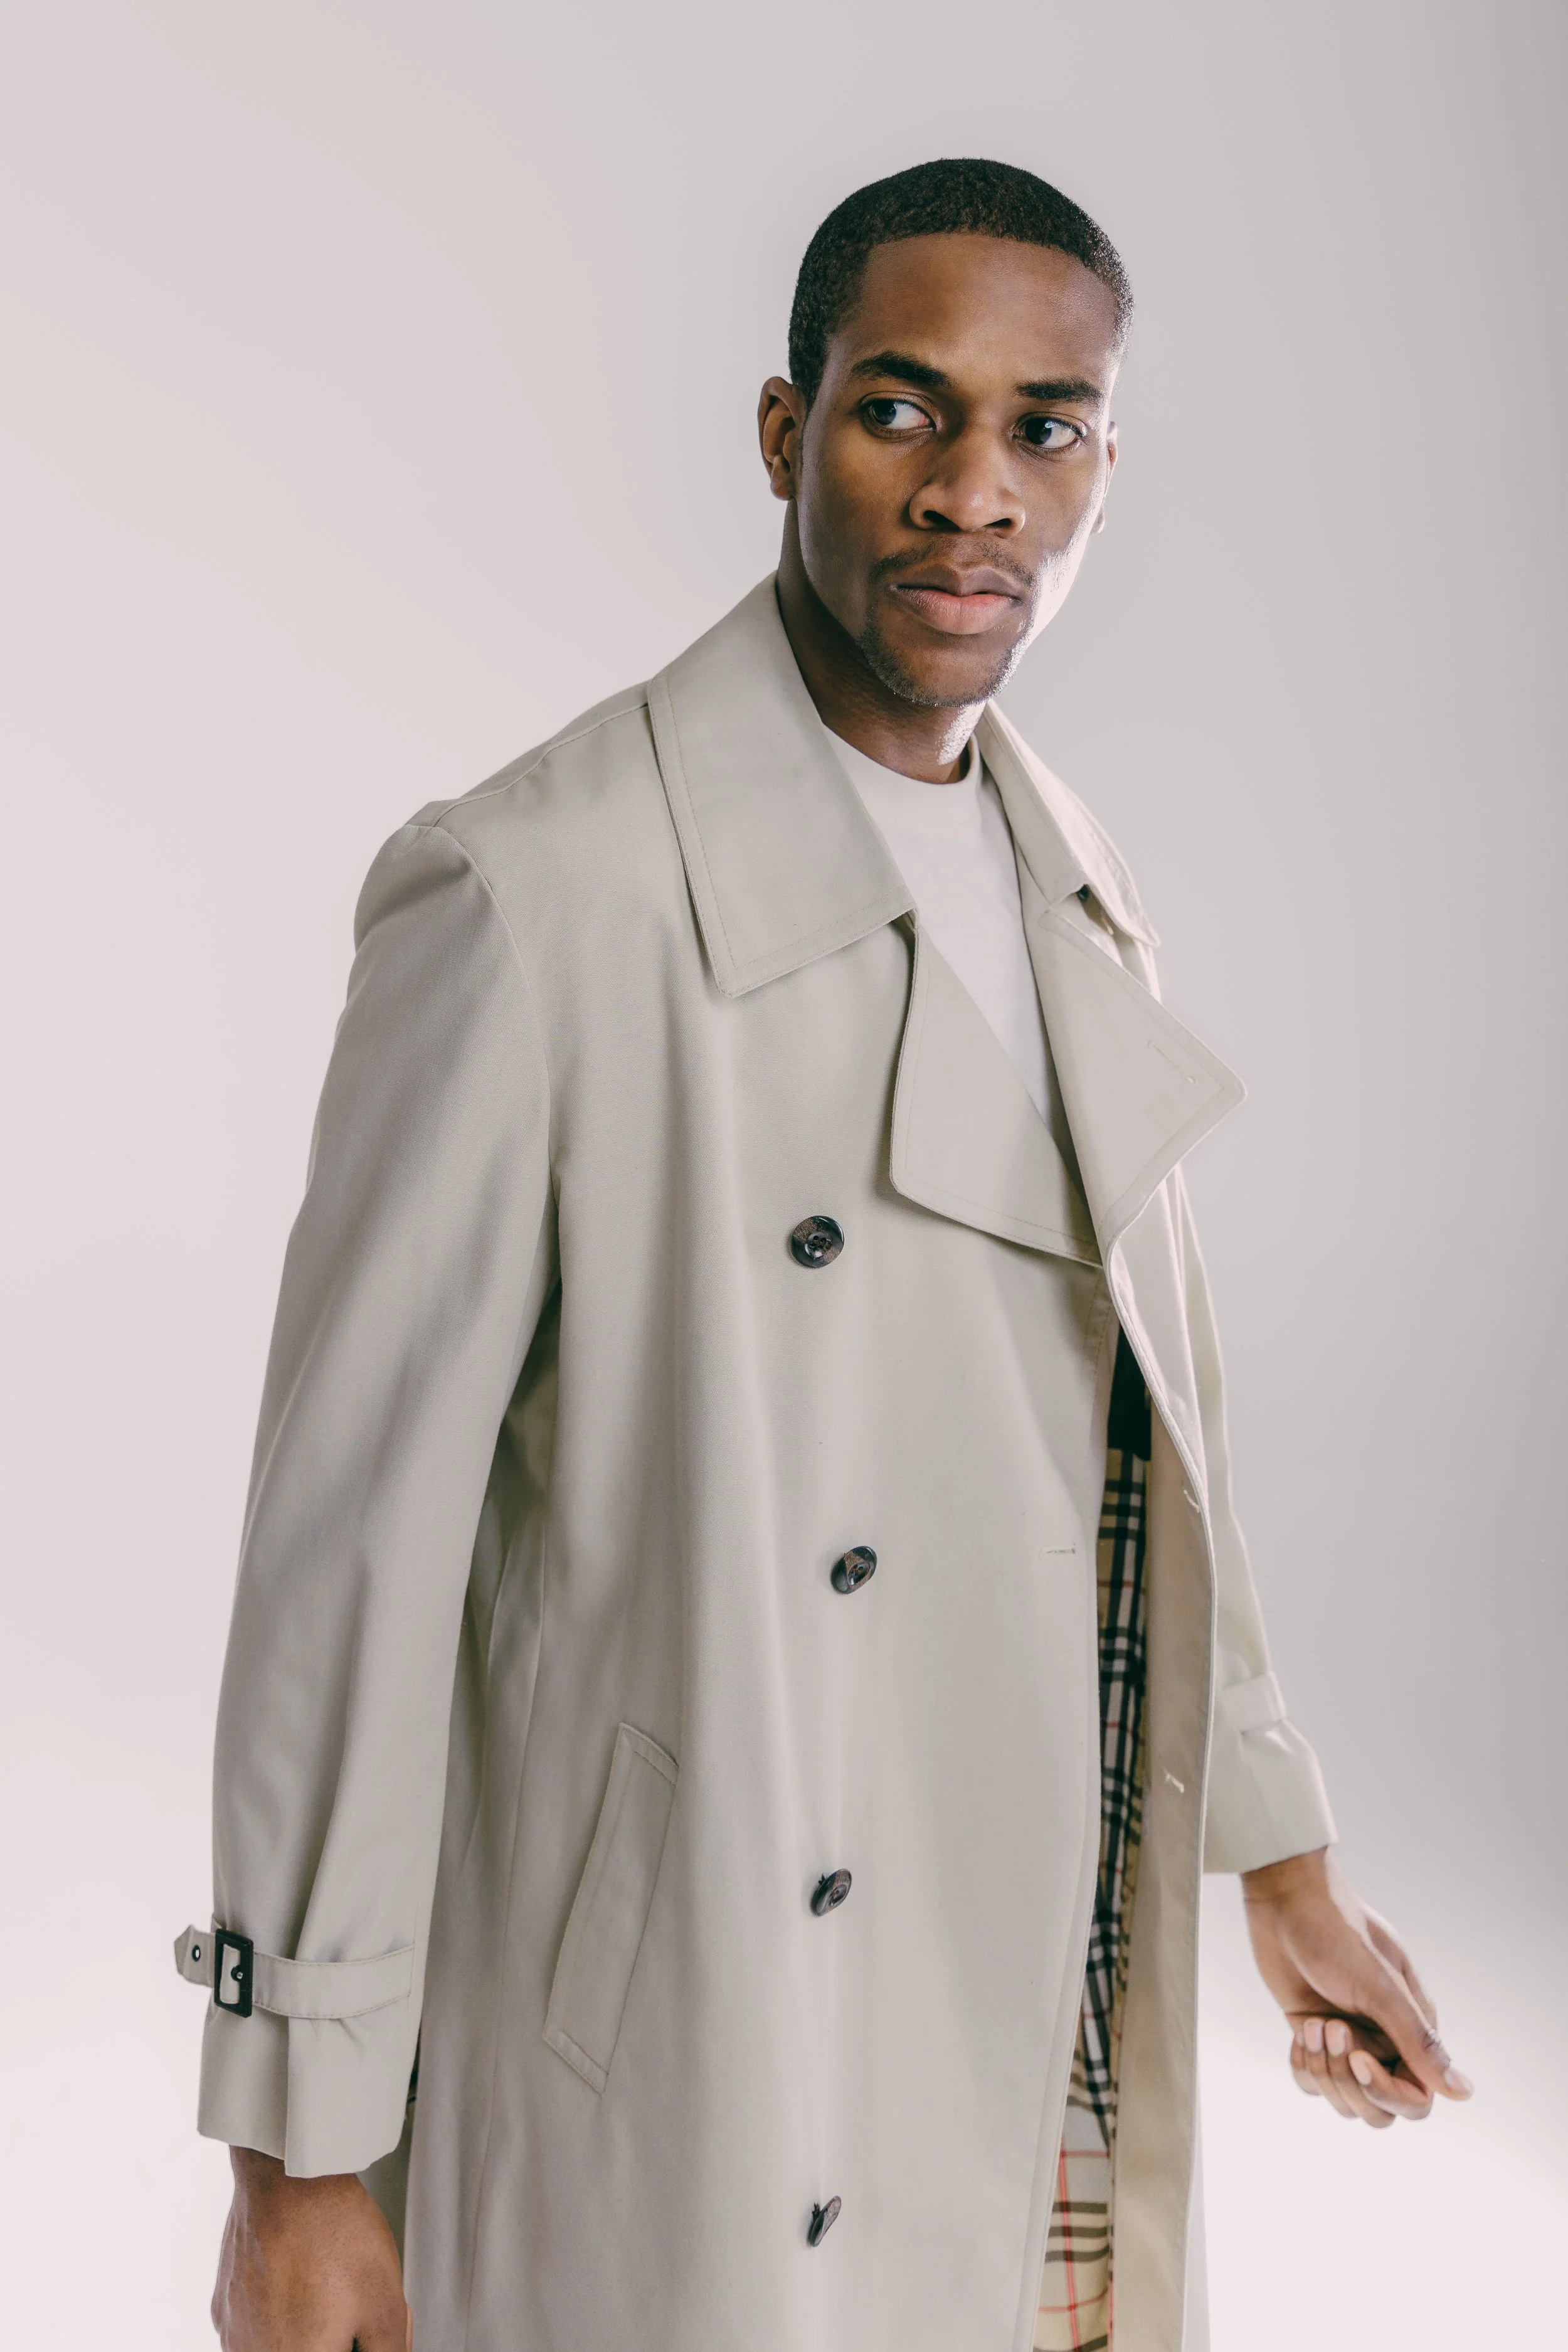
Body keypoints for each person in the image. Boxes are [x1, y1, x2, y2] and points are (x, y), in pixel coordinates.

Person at [179, 159, 1470, 2352]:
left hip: (1017, 1927)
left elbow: (1148, 1419)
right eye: (903, 411)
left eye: (1040, 428)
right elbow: (348, 1561)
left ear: (1100, 469)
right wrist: (297, 2155)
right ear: (786, 436)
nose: (974, 490)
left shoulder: (1069, 858)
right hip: (697, 1996)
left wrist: (1279, 1856)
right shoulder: (531, 891)